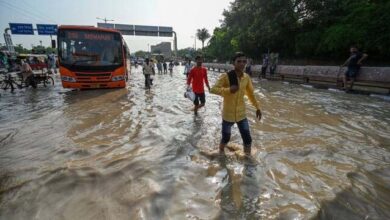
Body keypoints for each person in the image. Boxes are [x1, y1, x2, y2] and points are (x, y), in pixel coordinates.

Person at [210, 52, 262, 155]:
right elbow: (213, 89)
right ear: (233, 63)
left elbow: (251, 94)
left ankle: (247, 161)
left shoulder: (246, 77)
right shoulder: (226, 76)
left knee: (247, 139)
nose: (242, 64)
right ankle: (220, 153)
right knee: (226, 138)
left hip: (241, 114)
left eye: (244, 61)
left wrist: (258, 107)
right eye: (239, 61)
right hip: (228, 115)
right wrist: (229, 90)